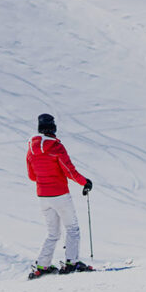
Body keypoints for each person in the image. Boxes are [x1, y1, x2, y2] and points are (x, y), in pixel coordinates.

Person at [25, 113, 95, 279]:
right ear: (52, 127)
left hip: (43, 196)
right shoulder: (56, 147)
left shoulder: (31, 149)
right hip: (60, 195)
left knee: (53, 233)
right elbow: (69, 171)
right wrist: (85, 182)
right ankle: (71, 262)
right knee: (72, 228)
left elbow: (31, 176)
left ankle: (42, 266)